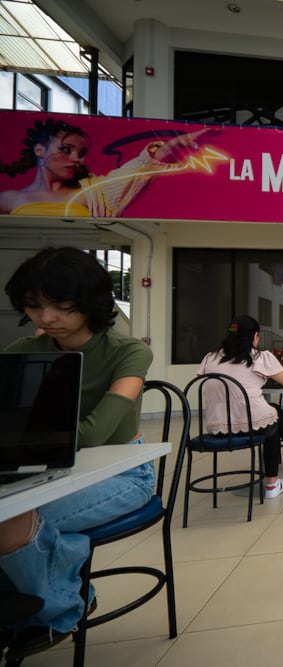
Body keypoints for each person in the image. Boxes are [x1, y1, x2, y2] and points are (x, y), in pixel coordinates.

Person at [0, 246, 156, 654]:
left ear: (89, 302)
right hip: (39, 470)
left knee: (9, 521)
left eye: (61, 306)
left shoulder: (129, 353)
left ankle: (64, 605)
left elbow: (94, 434)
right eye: (35, 306)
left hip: (121, 472)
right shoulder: (23, 353)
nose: (47, 318)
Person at [196, 315, 283, 499]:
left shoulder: (210, 357)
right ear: (255, 336)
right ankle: (276, 479)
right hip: (248, 425)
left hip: (217, 427)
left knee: (271, 413)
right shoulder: (259, 357)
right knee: (272, 419)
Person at [0, 117, 216, 217]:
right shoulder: (7, 199)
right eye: (66, 149)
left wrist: (176, 144)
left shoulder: (93, 192)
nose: (76, 158)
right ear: (40, 151)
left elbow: (139, 170)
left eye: (81, 153)